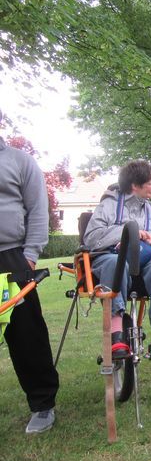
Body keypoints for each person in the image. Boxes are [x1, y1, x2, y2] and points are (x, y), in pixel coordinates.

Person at [0, 108, 59, 433]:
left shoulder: (19, 162)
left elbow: (38, 210)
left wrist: (30, 257)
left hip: (10, 260)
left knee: (25, 334)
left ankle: (42, 404)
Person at [84, 160, 151, 359]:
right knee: (112, 262)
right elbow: (91, 238)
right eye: (150, 182)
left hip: (145, 259)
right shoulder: (108, 205)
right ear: (135, 185)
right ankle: (117, 334)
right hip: (110, 257)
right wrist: (126, 235)